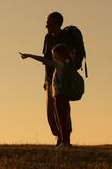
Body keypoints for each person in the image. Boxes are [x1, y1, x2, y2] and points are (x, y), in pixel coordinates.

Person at [20, 44, 72, 148]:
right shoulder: (68, 66)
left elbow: (43, 60)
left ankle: (64, 143)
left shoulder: (60, 65)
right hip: (65, 96)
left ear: (60, 56)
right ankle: (66, 141)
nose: (53, 58)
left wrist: (29, 55)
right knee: (64, 119)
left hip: (59, 97)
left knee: (60, 119)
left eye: (54, 55)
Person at [42, 12, 73, 147]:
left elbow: (68, 60)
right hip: (50, 79)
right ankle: (59, 136)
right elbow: (46, 59)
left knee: (62, 109)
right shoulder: (47, 37)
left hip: (62, 80)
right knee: (51, 111)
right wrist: (46, 79)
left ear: (57, 24)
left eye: (49, 22)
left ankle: (64, 139)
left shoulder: (65, 38)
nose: (46, 25)